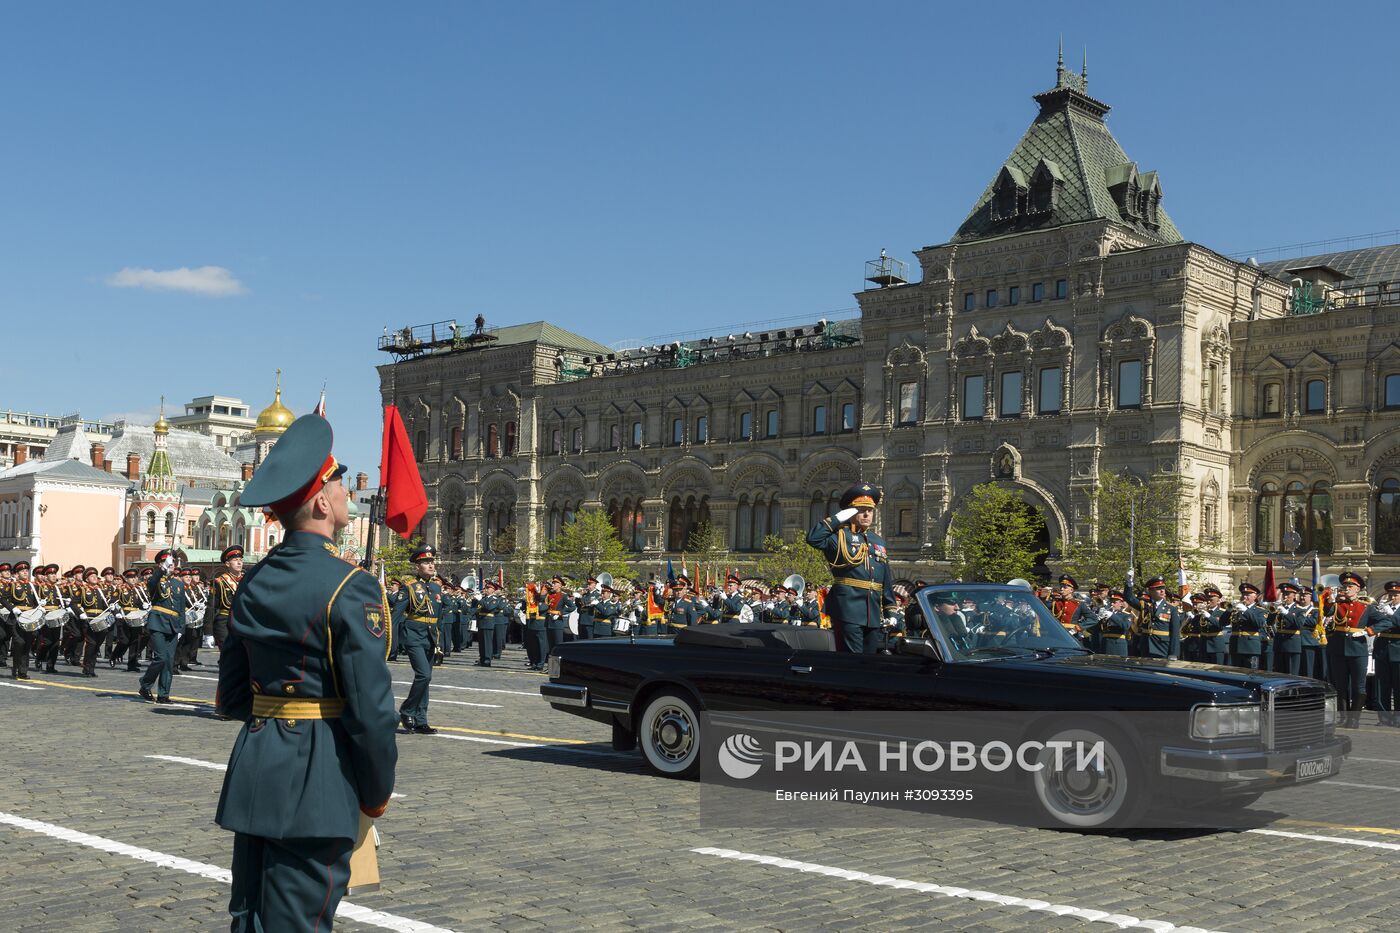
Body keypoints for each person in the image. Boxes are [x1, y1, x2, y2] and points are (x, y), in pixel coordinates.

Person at [215, 412, 397, 933]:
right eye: (340, 484)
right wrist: (376, 790)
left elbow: (231, 696)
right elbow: (371, 713)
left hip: (256, 768)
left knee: (251, 919)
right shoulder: (352, 587)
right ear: (321, 501)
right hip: (318, 776)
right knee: (300, 922)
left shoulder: (251, 581)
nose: (346, 495)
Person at [805, 482, 895, 654]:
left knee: (869, 661)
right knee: (851, 661)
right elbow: (813, 538)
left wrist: (890, 610)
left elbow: (886, 579)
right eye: (861, 509)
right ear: (850, 511)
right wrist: (838, 518)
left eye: (870, 510)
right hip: (848, 609)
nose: (867, 513)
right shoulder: (838, 536)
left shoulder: (878, 541)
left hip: (873, 612)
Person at [391, 545, 441, 733]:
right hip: (413, 636)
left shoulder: (436, 587)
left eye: (432, 561)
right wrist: (390, 643)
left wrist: (439, 642)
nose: (430, 565)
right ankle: (407, 710)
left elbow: (439, 618)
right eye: (426, 562)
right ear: (417, 566)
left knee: (426, 679)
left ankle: (421, 720)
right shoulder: (409, 586)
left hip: (430, 637)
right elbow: (395, 616)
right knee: (424, 675)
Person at [138, 550, 186, 703]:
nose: (171, 565)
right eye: (167, 562)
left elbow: (181, 608)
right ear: (160, 564)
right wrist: (161, 570)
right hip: (158, 622)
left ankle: (163, 694)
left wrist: (181, 628)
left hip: (173, 625)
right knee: (160, 657)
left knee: (169, 661)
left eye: (172, 562)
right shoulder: (156, 580)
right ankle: (145, 684)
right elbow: (152, 584)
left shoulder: (178, 583)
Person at [1327, 571, 1370, 728]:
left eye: (1350, 586)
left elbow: (1385, 621)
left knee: (1359, 686)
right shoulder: (1337, 604)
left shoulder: (1365, 607)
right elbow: (1325, 612)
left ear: (1358, 589)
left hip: (1358, 650)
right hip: (1338, 649)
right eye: (1344, 586)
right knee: (1340, 685)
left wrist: (1369, 631)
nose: (1346, 588)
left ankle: (1354, 719)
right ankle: (1343, 717)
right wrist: (1328, 599)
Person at [1125, 575, 1181, 660]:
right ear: (1150, 591)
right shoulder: (1146, 606)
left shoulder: (1171, 609)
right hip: (1145, 647)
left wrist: (1173, 653)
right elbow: (1129, 598)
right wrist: (1129, 582)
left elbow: (1175, 633)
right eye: (1158, 588)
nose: (1162, 590)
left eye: (1163, 588)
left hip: (1162, 648)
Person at [1371, 581, 1400, 727]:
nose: (1393, 597)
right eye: (1391, 594)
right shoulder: (1383, 608)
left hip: (1398, 650)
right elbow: (1372, 623)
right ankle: (1383, 717)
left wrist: (1392, 615)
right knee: (1382, 685)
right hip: (1382, 649)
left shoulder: (1391, 610)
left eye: (1396, 595)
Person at [204, 545, 244, 651]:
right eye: (235, 560)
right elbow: (211, 607)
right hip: (224, 623)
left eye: (241, 560)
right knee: (228, 654)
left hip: (242, 622)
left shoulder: (247, 580)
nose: (239, 563)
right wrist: (208, 632)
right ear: (227, 563)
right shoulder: (219, 582)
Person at [1229, 582, 1268, 670]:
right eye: (1243, 594)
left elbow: (1259, 624)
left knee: (1251, 674)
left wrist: (1246, 611)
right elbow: (1222, 622)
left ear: (1255, 597)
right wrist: (1229, 610)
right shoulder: (1236, 609)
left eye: (1248, 595)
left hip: (1250, 647)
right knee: (1236, 674)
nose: (1244, 597)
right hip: (1235, 646)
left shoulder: (1260, 610)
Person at [1298, 586, 1327, 681]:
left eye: (1305, 595)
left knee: (1308, 670)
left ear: (1310, 597)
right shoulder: (1295, 609)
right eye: (1301, 595)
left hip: (1308, 643)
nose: (1302, 598)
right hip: (1296, 642)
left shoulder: (1315, 610)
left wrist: (1297, 619)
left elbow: (1314, 622)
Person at [475, 580, 506, 666]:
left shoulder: (494, 599)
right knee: (481, 643)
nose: (486, 589)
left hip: (488, 622)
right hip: (481, 622)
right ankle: (482, 659)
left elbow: (489, 608)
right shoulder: (484, 599)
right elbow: (477, 609)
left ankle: (487, 660)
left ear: (493, 590)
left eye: (488, 588)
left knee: (487, 642)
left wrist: (480, 600)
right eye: (486, 588)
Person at [544, 576, 575, 652]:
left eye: (555, 583)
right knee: (549, 644)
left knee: (558, 644)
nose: (553, 585)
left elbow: (572, 607)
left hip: (557, 623)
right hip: (548, 622)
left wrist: (560, 613)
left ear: (560, 585)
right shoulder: (549, 595)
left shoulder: (563, 596)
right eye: (553, 583)